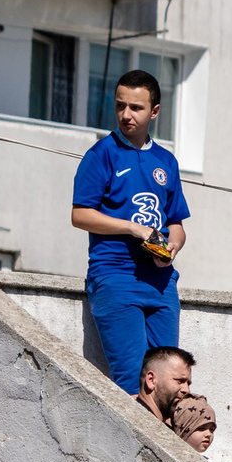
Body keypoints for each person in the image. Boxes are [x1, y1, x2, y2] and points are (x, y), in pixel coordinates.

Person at [70, 68, 188, 396]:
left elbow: (176, 223)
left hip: (161, 282)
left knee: (169, 386)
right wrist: (132, 228)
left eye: (135, 108)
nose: (126, 115)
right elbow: (80, 215)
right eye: (120, 105)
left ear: (154, 111)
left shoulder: (166, 161)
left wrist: (172, 247)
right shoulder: (100, 155)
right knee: (134, 386)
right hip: (115, 277)